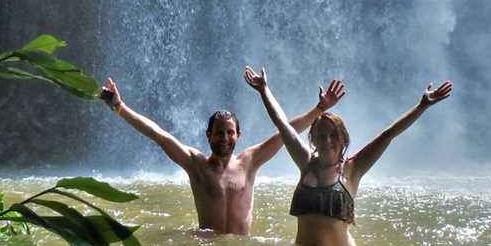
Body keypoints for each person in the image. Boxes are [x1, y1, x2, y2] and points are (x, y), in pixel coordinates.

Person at [99, 76, 346, 235]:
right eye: (219, 133)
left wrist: (320, 109)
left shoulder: (249, 161)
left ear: (238, 135)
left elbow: (286, 131)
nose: (225, 138)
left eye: (230, 133)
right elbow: (159, 135)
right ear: (209, 135)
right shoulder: (196, 164)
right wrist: (119, 107)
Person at [243, 66, 453, 246]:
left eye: (334, 135)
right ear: (313, 140)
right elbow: (281, 123)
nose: (327, 141)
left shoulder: (353, 169)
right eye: (321, 136)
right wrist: (263, 90)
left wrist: (422, 106)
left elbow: (389, 134)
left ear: (343, 139)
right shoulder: (306, 162)